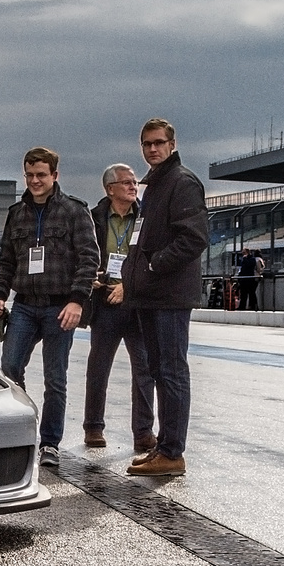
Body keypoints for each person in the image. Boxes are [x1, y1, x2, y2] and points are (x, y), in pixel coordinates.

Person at [0, 146, 98, 468]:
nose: (35, 181)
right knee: (8, 370)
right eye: (30, 175)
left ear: (55, 175)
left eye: (41, 175)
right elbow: (6, 259)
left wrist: (77, 300)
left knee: (56, 378)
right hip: (23, 305)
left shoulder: (75, 211)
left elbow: (89, 259)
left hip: (59, 307)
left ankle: (50, 443)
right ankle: (22, 428)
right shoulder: (16, 213)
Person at [121, 118, 209, 477]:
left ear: (172, 144)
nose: (152, 149)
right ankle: (165, 444)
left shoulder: (182, 182)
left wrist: (155, 266)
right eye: (146, 144)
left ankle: (173, 452)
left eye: (158, 143)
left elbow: (194, 238)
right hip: (151, 295)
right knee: (158, 371)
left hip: (169, 295)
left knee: (171, 372)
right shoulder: (154, 186)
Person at [82, 163, 157, 453]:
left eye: (134, 182)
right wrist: (90, 276)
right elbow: (83, 254)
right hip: (105, 301)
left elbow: (151, 257)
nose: (132, 186)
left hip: (137, 301)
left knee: (145, 370)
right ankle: (93, 428)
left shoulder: (146, 217)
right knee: (98, 368)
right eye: (125, 182)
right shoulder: (94, 218)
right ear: (109, 188)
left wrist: (130, 285)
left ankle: (143, 433)